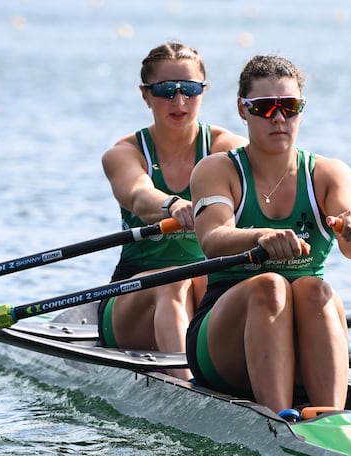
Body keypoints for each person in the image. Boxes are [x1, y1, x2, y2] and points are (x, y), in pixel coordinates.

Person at [187, 54, 351, 415]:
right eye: (264, 107)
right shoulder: (217, 169)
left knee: (314, 288)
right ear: (243, 110)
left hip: (305, 328)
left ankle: (330, 421)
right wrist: (261, 237)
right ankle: (277, 422)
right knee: (269, 285)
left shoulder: (330, 174)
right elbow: (212, 240)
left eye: (289, 107)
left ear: (301, 109)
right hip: (224, 345)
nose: (278, 118)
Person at [98, 41, 247, 380]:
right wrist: (172, 204)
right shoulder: (124, 153)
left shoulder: (230, 149)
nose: (179, 102)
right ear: (145, 95)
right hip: (133, 297)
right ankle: (185, 386)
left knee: (229, 283)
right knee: (175, 283)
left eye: (190, 90)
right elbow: (138, 195)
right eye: (166, 90)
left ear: (203, 91)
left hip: (205, 287)